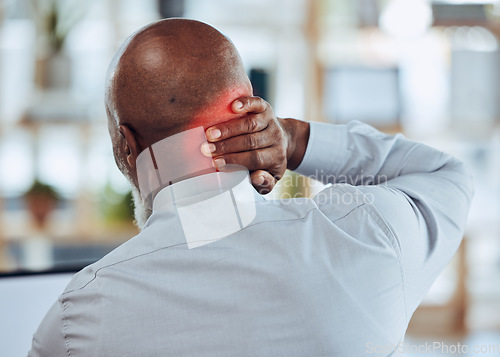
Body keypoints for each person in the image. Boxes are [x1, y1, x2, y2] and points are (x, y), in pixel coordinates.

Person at [29, 19, 473, 356]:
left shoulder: (80, 318)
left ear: (128, 145)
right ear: (249, 113)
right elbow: (444, 175)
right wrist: (295, 139)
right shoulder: (367, 235)